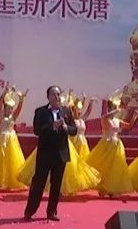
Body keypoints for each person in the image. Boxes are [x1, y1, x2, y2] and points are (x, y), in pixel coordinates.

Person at [17, 92, 100, 197]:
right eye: (76, 109)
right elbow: (39, 130)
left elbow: (77, 123)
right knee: (53, 170)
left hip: (72, 145)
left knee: (68, 170)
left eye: (79, 110)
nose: (79, 111)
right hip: (59, 144)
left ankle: (62, 189)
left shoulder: (77, 118)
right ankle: (52, 190)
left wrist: (89, 102)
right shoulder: (60, 115)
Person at [24, 85, 78, 221]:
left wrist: (65, 127)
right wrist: (52, 126)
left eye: (59, 94)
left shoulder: (66, 111)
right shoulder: (41, 112)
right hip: (45, 153)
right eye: (54, 94)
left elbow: (74, 130)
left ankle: (52, 212)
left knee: (56, 183)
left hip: (60, 153)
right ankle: (29, 211)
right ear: (48, 97)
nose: (57, 97)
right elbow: (37, 130)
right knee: (39, 182)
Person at [86, 90, 135, 198]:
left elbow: (129, 126)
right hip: (106, 144)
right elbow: (104, 116)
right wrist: (117, 109)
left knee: (115, 168)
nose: (115, 109)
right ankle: (102, 187)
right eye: (113, 107)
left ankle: (111, 189)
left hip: (116, 145)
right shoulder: (105, 119)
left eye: (115, 107)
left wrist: (134, 117)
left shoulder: (117, 120)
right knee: (105, 166)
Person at [69, 92, 95, 159]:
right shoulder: (71, 120)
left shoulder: (82, 119)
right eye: (78, 110)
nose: (80, 112)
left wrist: (91, 102)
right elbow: (71, 108)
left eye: (80, 111)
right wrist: (70, 96)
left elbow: (88, 111)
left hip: (83, 143)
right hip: (74, 142)